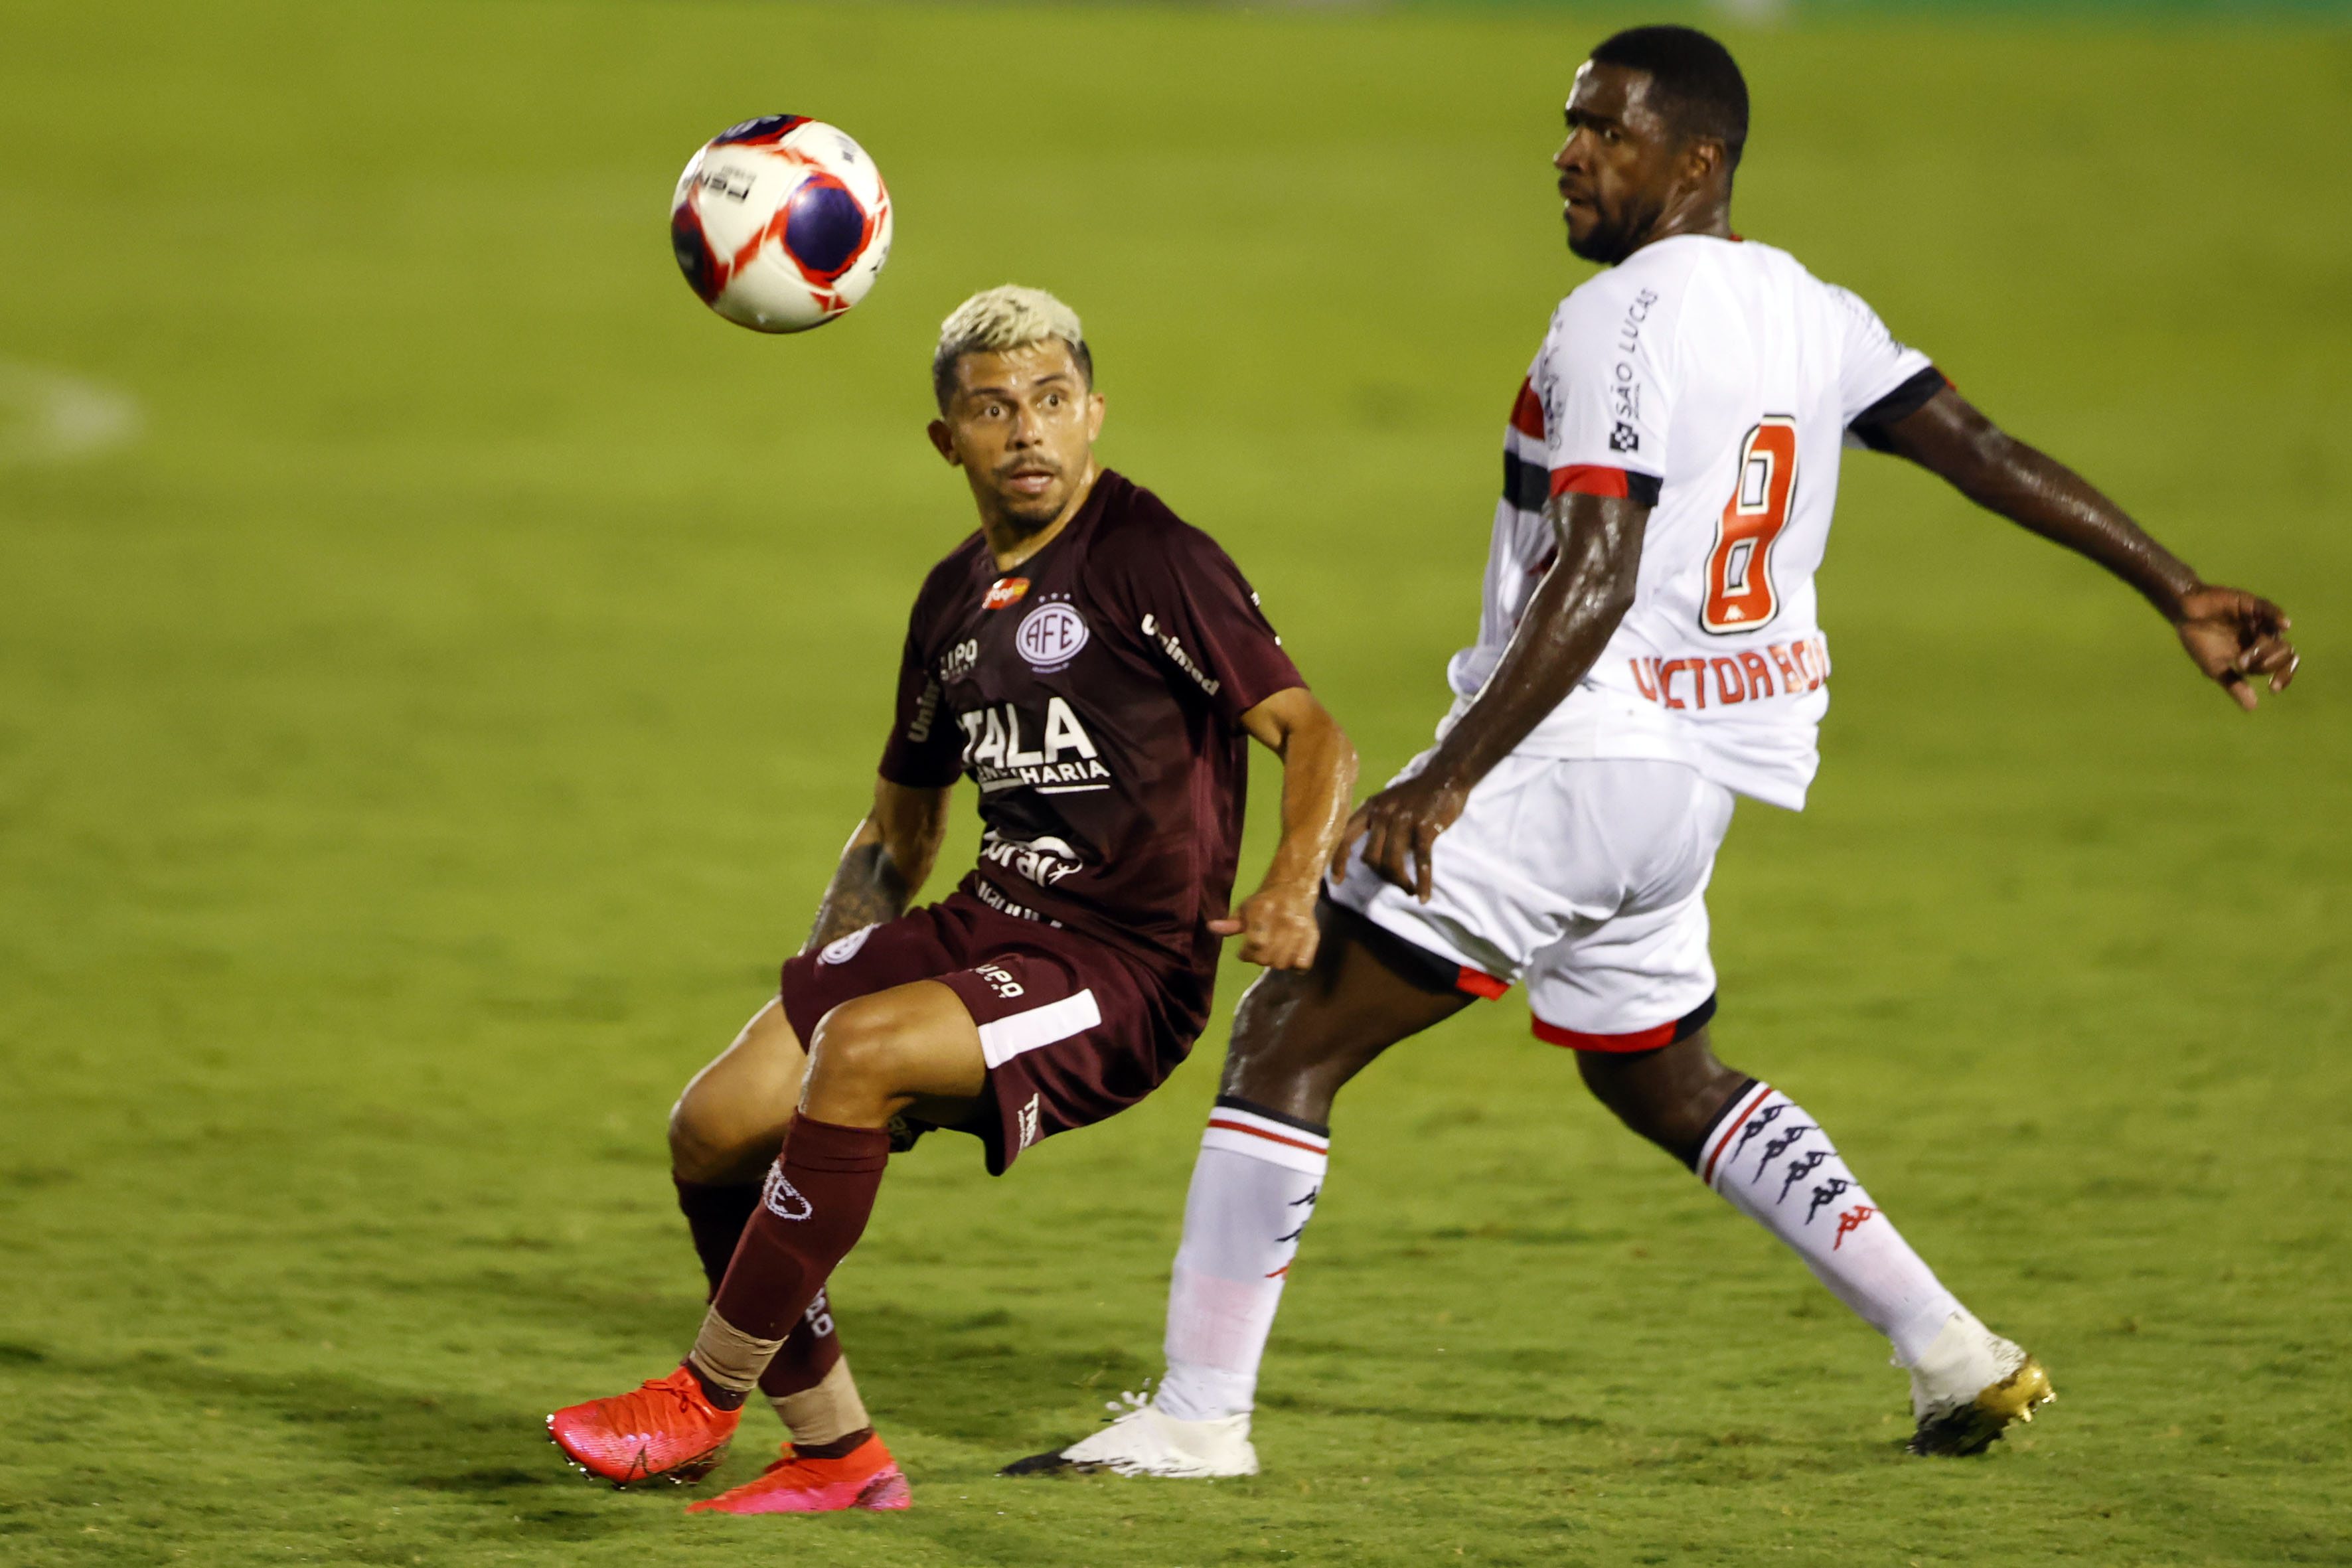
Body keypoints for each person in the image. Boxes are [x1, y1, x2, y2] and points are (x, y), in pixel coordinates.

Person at [1007, 25, 2300, 1480]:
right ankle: (1954, 1349)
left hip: (1572, 756)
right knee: (1654, 1071)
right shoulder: (1809, 307)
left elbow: (1594, 568)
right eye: (1567, 124)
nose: (1569, 151)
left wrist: (1450, 775)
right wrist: (2167, 580)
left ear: (1696, 161)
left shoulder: (1619, 318)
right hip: (1682, 786)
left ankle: (1197, 1414)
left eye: (1606, 131)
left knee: (1284, 1035)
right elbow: (1973, 445)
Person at [545, 285, 1357, 1514]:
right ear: (949, 440)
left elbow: (1311, 730)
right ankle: (835, 1455)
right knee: (712, 1126)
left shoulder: (1154, 559)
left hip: (1120, 971)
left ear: (1093, 415)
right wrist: (809, 981)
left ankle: (703, 1399)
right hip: (989, 923)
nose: (1026, 430)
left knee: (862, 1055)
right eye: (993, 408)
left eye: (1050, 401)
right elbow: (902, 824)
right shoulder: (949, 602)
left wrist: (1294, 880)